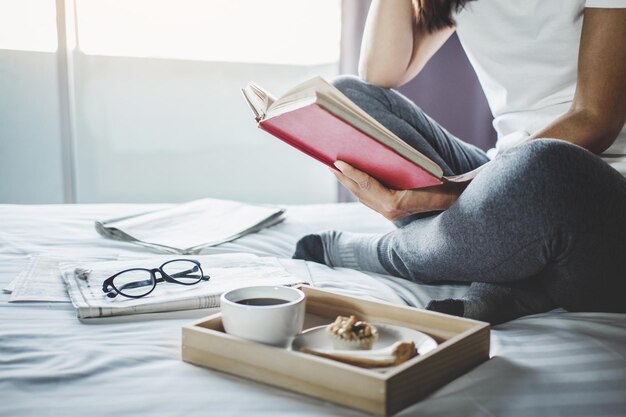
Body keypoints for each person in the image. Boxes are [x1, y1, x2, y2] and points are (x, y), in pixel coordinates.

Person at [293, 0, 626, 324]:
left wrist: (454, 189)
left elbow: (594, 118)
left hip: (594, 193)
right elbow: (380, 71)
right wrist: (474, 185)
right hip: (505, 177)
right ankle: (515, 279)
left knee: (541, 167)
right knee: (351, 102)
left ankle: (393, 253)